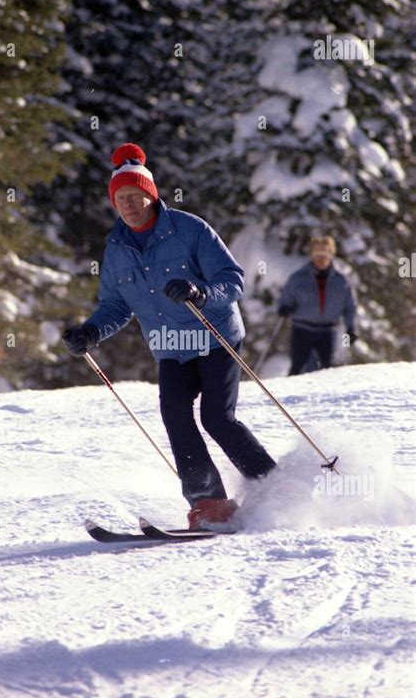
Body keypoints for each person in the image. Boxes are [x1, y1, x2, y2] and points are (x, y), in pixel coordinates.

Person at [62, 142, 276, 530]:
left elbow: (233, 279)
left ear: (151, 194)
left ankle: (274, 487)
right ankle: (208, 502)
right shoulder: (116, 248)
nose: (128, 204)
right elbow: (116, 305)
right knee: (175, 415)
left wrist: (201, 292)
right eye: (120, 198)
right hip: (171, 349)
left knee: (217, 418)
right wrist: (91, 331)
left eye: (135, 195)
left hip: (214, 338)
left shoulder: (190, 229)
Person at [278, 236, 358, 376]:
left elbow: (350, 307)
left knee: (327, 370)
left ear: (331, 254)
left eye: (325, 252)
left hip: (328, 331)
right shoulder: (298, 278)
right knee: (297, 368)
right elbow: (286, 298)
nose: (321, 257)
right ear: (311, 254)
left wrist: (351, 327)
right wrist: (284, 308)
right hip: (302, 329)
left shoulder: (341, 281)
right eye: (317, 252)